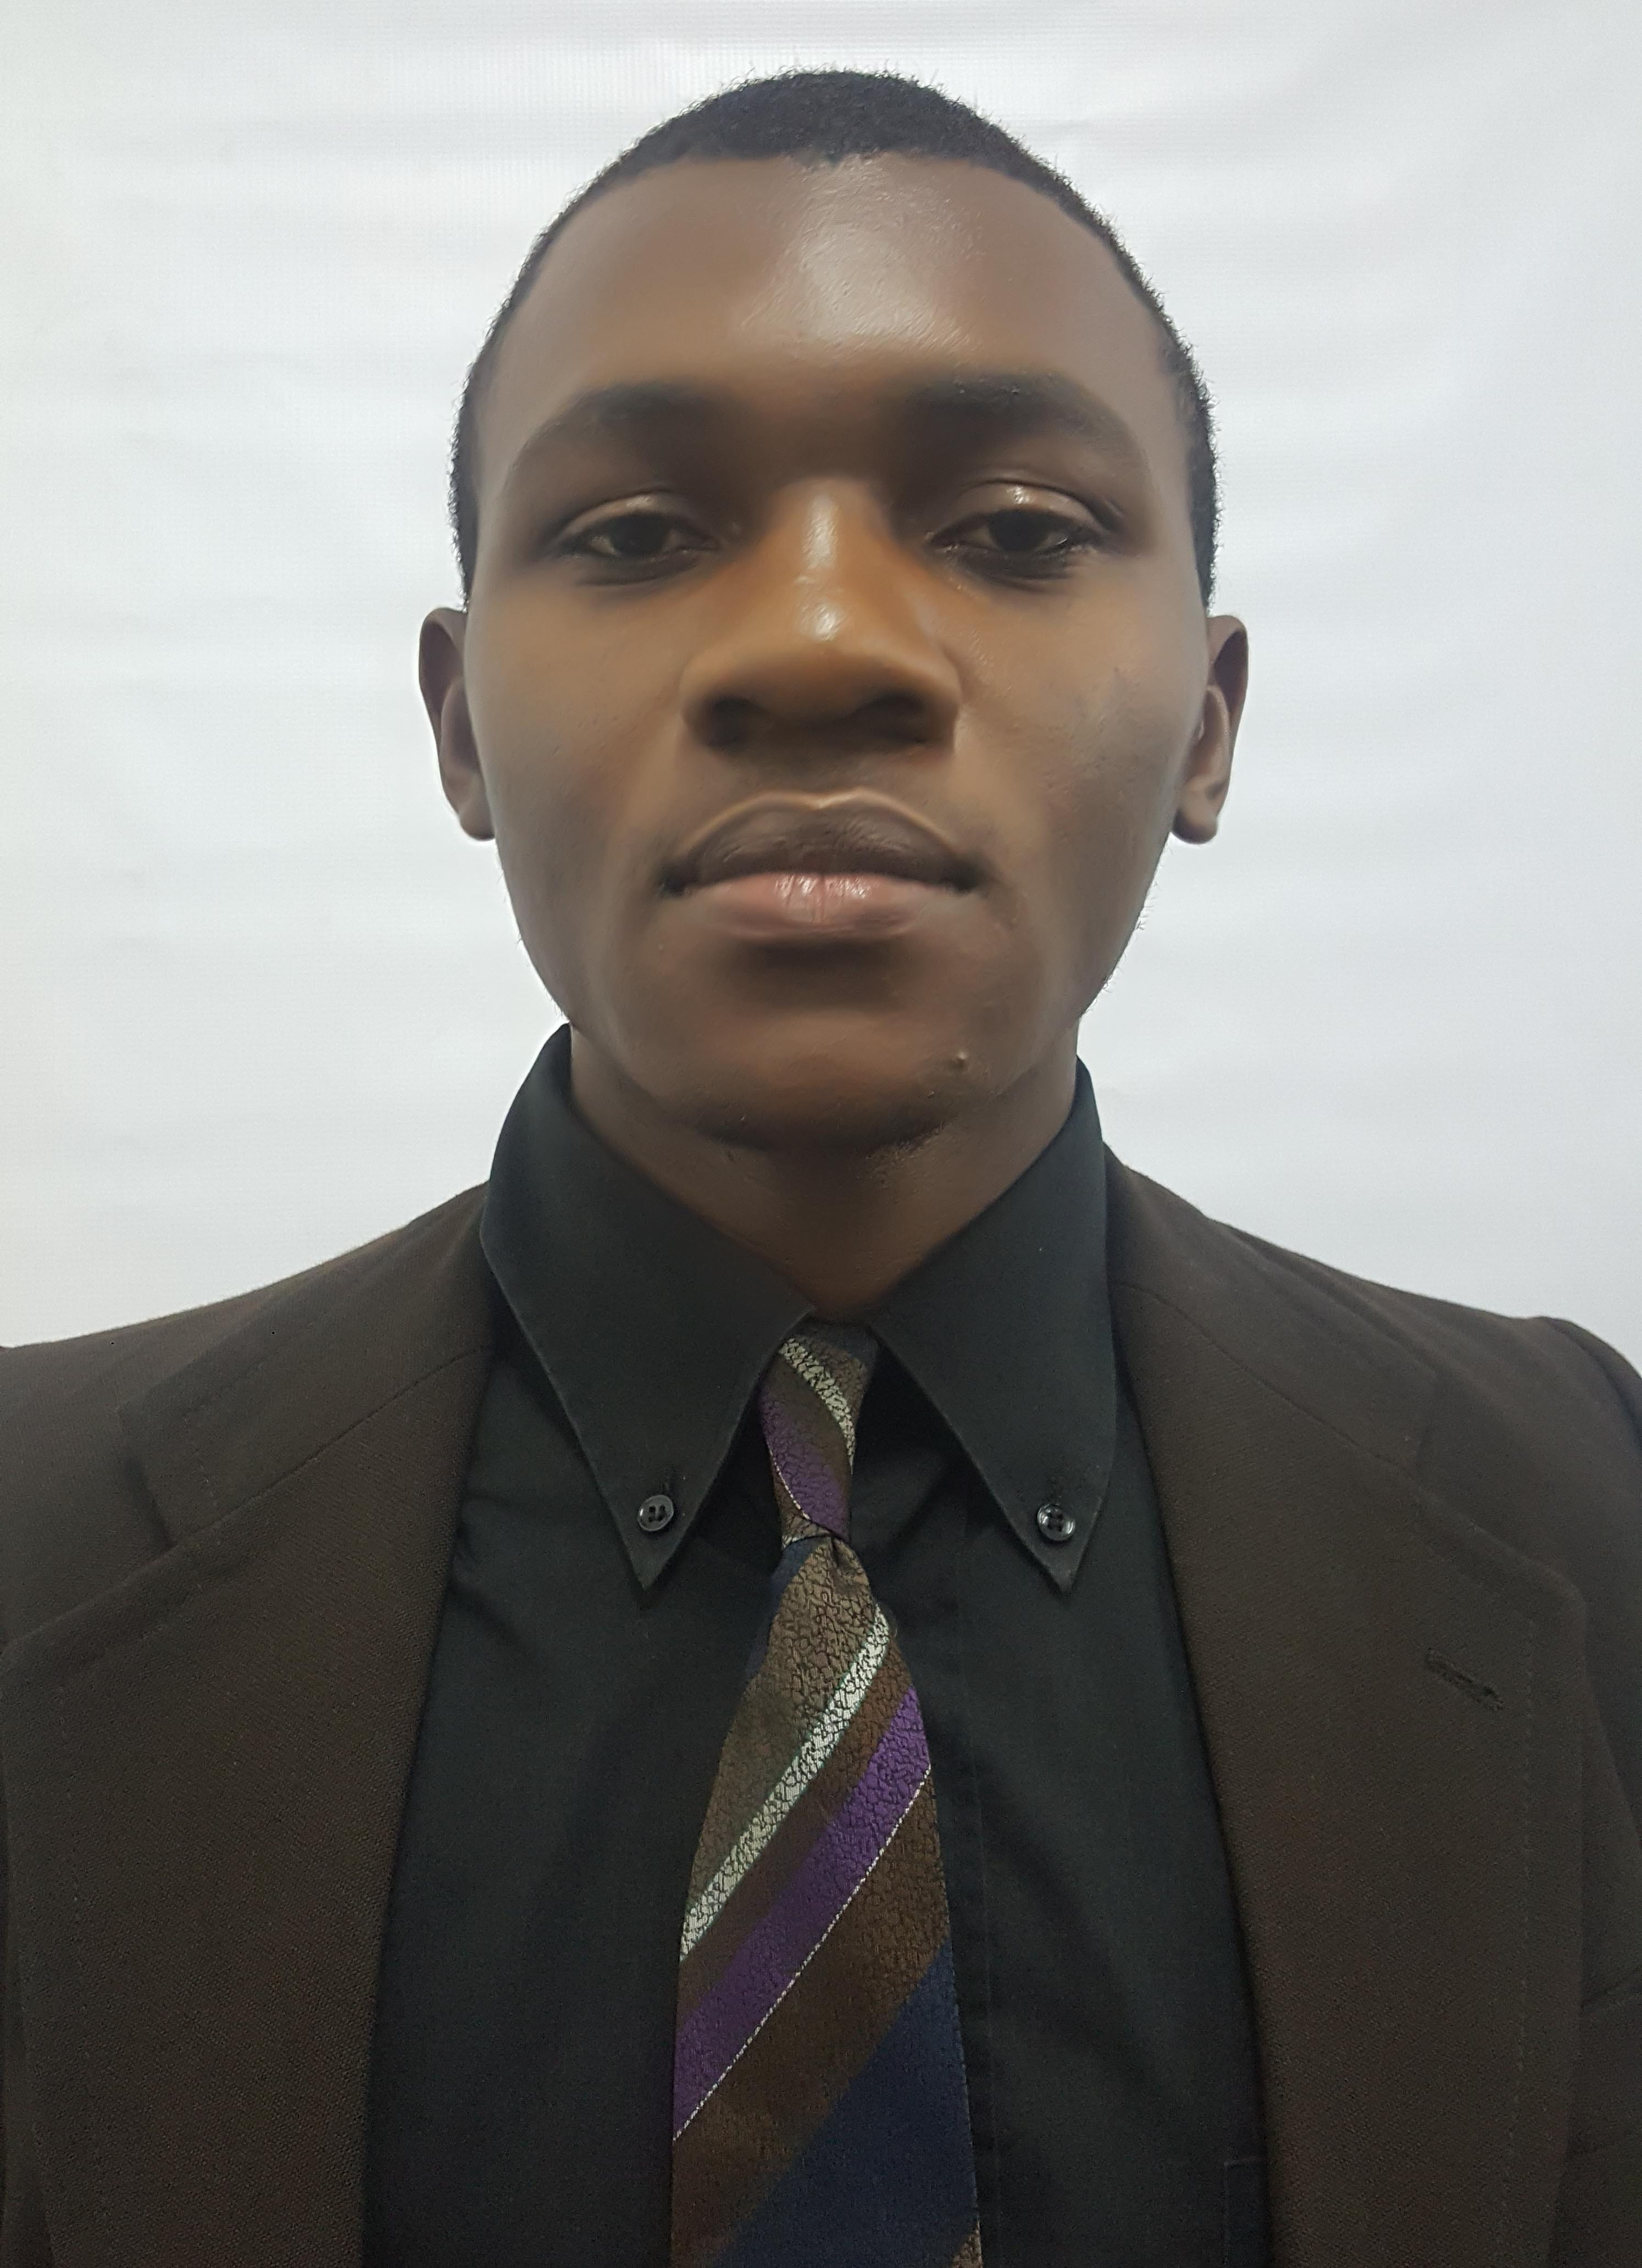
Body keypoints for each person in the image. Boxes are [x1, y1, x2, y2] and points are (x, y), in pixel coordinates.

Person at [1, 65, 1637, 2268]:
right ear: (462, 727)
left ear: (1210, 718)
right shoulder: (31, 1539)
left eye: (1018, 529)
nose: (820, 645)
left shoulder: (1585, 1514)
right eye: (636, 534)